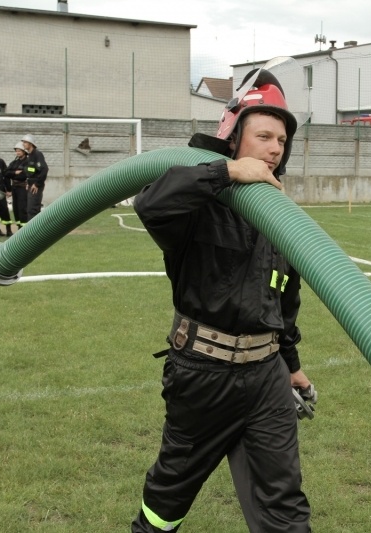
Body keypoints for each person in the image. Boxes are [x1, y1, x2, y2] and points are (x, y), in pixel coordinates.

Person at [131, 69, 313, 533]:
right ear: (233, 138)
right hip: (203, 372)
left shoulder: (283, 216)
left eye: (282, 140)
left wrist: (290, 364)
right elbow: (151, 204)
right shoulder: (200, 205)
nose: (275, 148)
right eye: (265, 136)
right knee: (170, 493)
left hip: (267, 375)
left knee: (284, 498)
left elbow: (283, 300)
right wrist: (227, 172)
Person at [21, 134, 48, 221]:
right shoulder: (30, 155)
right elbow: (31, 171)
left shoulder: (37, 154)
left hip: (35, 186)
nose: (23, 144)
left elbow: (44, 170)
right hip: (30, 184)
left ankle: (35, 231)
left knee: (33, 209)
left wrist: (37, 184)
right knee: (29, 209)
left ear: (31, 143)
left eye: (25, 142)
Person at [4, 141, 30, 229]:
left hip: (23, 188)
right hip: (14, 187)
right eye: (17, 151)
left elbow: (24, 175)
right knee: (16, 208)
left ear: (24, 151)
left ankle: (24, 227)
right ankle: (19, 226)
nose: (17, 152)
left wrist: (12, 174)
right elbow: (6, 173)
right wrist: (15, 172)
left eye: (19, 151)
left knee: (22, 208)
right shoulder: (14, 163)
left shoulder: (28, 162)